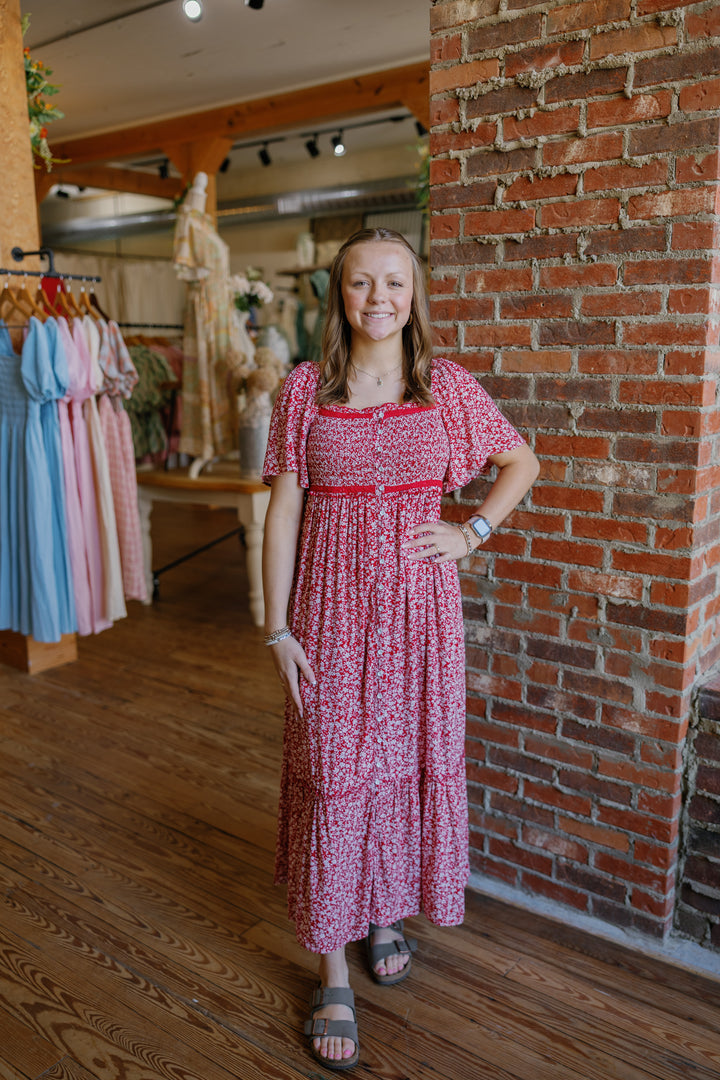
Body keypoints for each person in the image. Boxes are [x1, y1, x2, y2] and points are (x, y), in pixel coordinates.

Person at [261, 227, 539, 1070]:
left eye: (394, 283)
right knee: (337, 773)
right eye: (360, 283)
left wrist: (473, 532)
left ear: (414, 295)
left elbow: (521, 460)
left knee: (402, 764)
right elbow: (281, 514)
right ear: (337, 294)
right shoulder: (305, 389)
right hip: (331, 615)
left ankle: (385, 906)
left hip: (421, 618)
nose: (378, 298)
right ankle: (332, 969)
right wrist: (275, 626)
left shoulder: (445, 387)